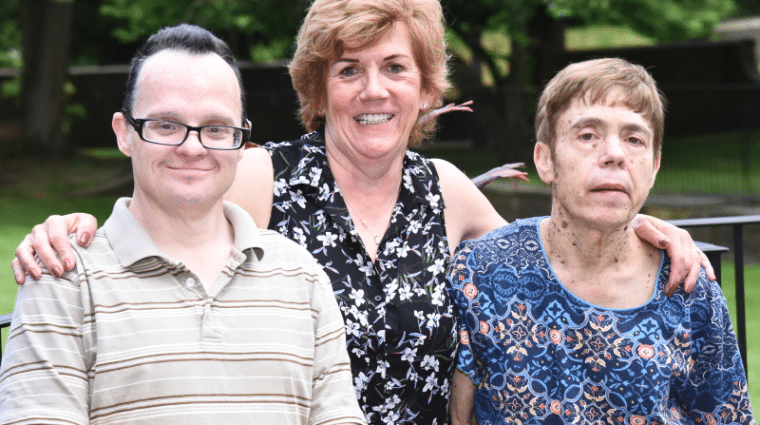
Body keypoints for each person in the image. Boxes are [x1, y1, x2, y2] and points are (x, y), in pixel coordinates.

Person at [10, 1, 713, 424]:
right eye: (349, 69)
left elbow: (554, 263)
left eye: (394, 67)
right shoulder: (263, 177)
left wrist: (648, 232)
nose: (372, 89)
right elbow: (169, 195)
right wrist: (72, 230)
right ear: (320, 86)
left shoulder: (446, 191)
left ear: (425, 86)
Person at [0, 24, 365, 425]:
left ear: (241, 142)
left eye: (215, 128)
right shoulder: (62, 279)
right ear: (125, 134)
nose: (192, 148)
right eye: (166, 125)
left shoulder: (301, 275)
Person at [447, 58, 754, 424]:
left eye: (634, 139)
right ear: (545, 161)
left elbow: (729, 417)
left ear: (654, 167)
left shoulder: (687, 287)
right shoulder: (483, 273)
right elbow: (456, 416)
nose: (615, 154)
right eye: (588, 135)